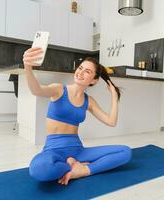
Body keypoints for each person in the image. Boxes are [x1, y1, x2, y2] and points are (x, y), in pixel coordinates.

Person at [23, 47, 132, 185]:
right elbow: (36, 90)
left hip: (78, 151)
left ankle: (82, 171)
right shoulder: (59, 89)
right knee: (38, 169)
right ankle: (71, 165)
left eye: (87, 72)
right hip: (53, 150)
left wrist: (114, 98)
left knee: (125, 152)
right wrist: (28, 67)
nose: (80, 72)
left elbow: (111, 122)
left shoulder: (89, 101)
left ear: (94, 80)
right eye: (80, 68)